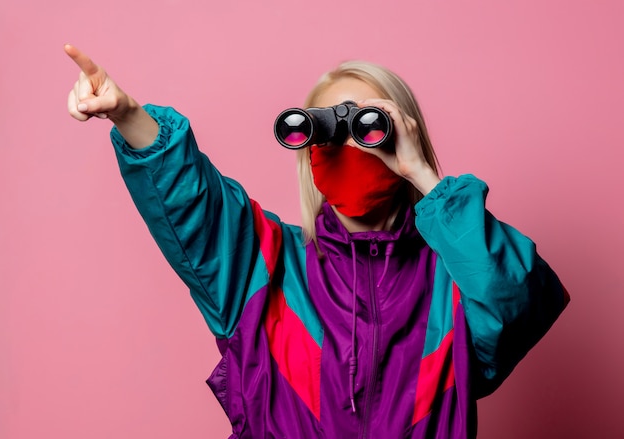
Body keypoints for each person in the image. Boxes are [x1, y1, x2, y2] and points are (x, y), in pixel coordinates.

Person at [64, 44, 569, 438]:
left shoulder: (452, 280)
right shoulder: (268, 266)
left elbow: (515, 301)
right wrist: (128, 114)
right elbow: (193, 203)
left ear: (403, 134)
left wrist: (424, 175)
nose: (343, 144)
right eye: (326, 128)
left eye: (367, 125)